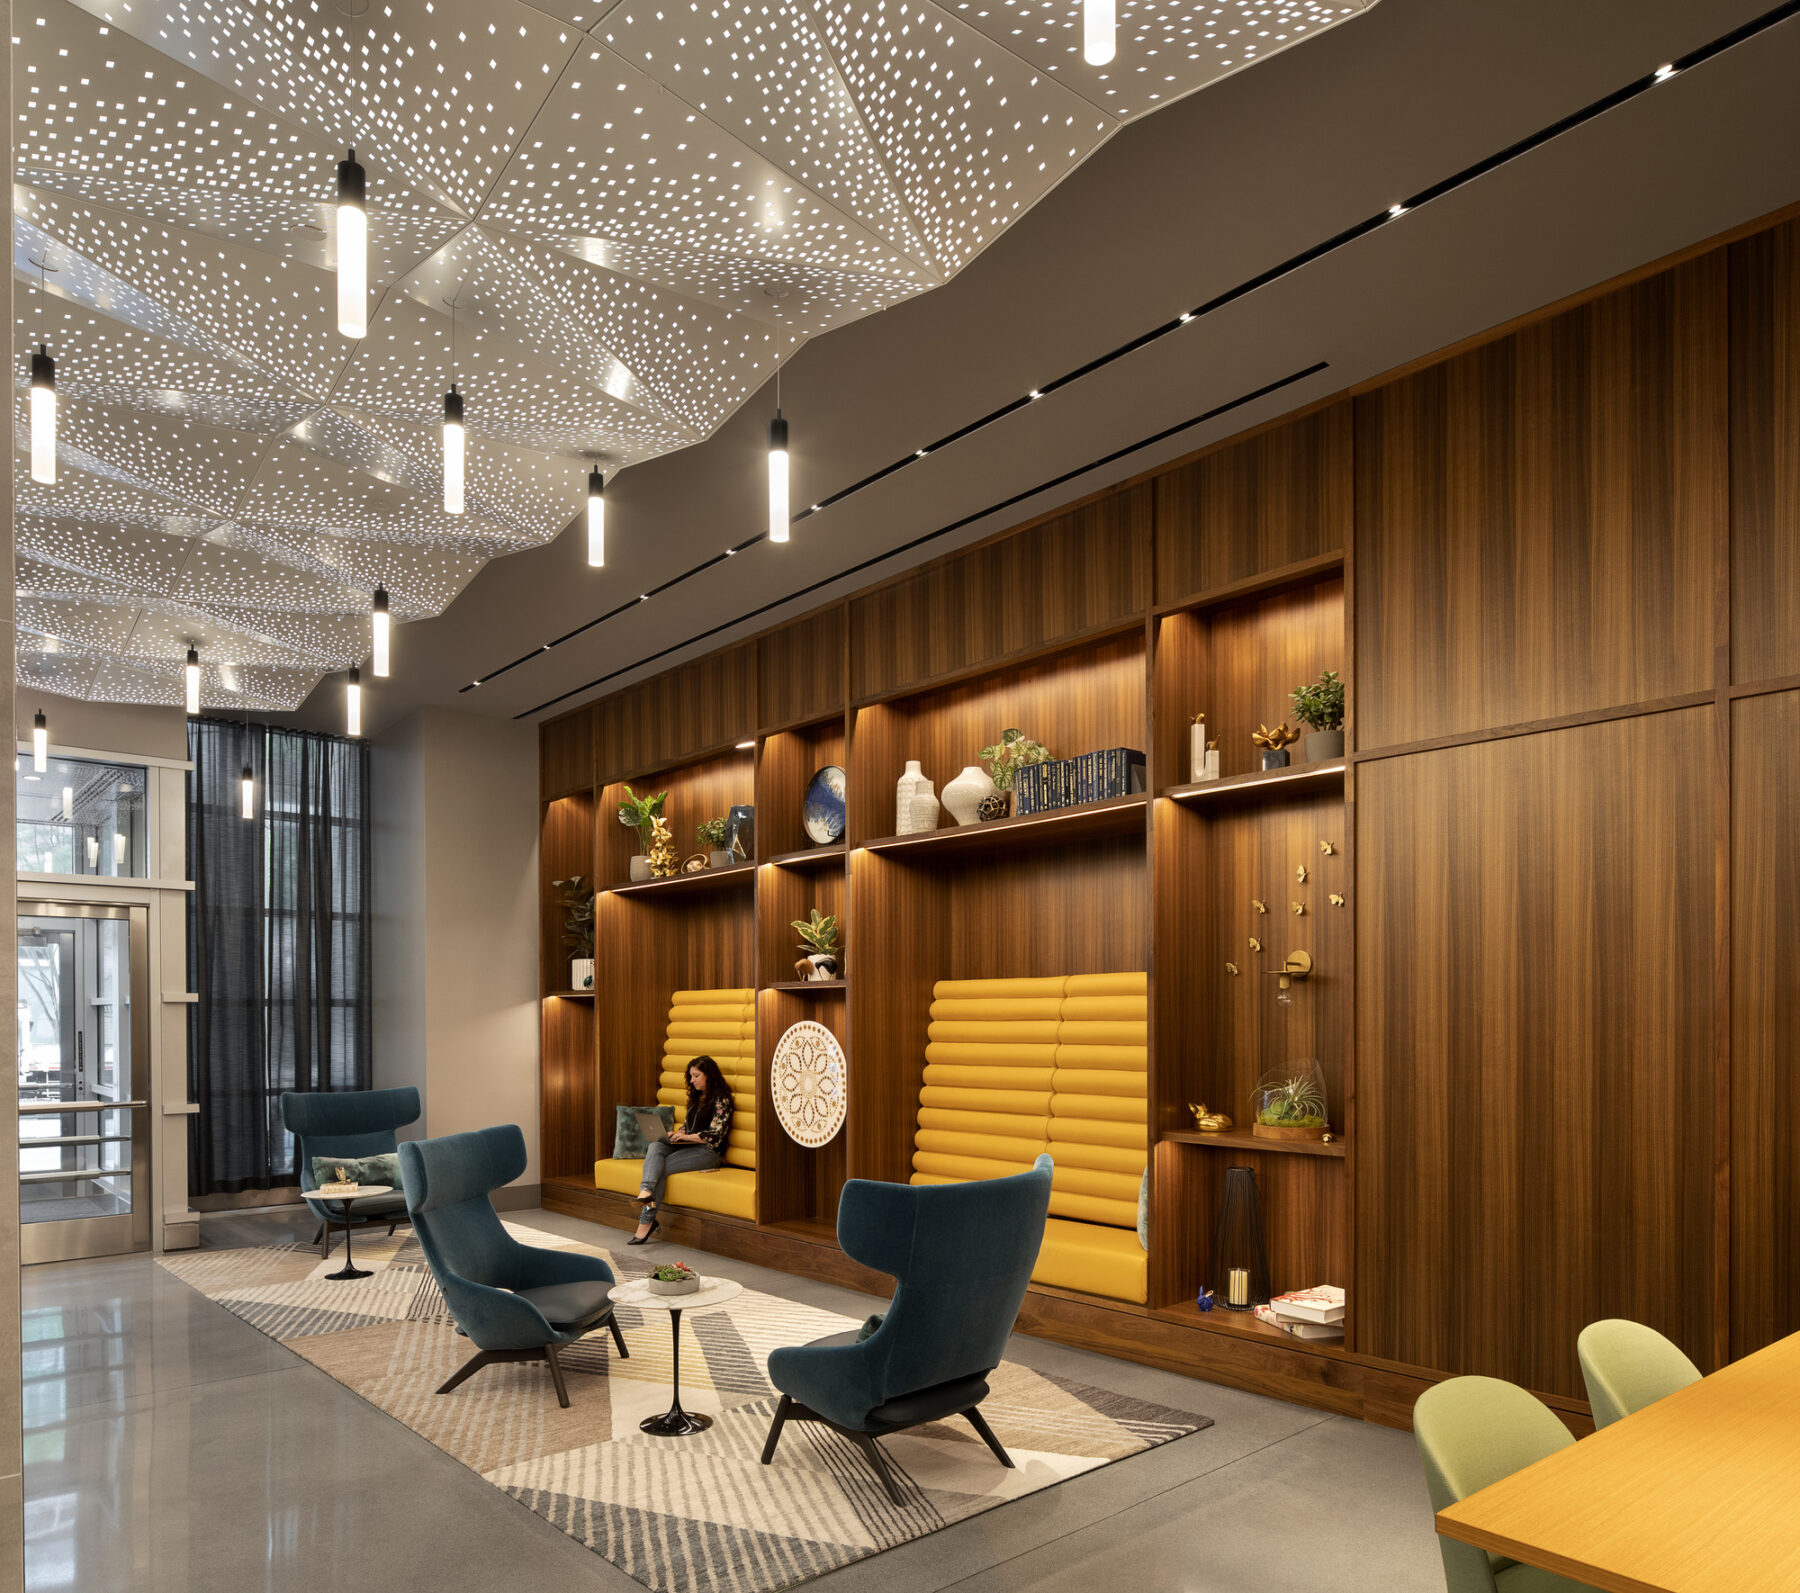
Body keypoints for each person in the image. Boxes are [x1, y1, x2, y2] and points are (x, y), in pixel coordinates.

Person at [630, 1055, 733, 1244]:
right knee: (656, 1145)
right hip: (689, 1144)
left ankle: (646, 1222)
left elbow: (715, 1135)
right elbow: (689, 1126)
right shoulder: (696, 1098)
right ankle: (645, 1190)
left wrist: (686, 1137)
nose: (692, 1081)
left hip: (708, 1152)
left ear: (709, 1075)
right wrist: (678, 1133)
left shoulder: (722, 1100)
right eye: (691, 1076)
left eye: (696, 1076)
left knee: (659, 1170)